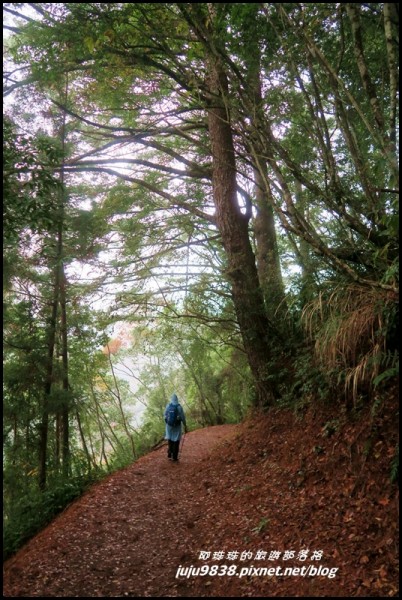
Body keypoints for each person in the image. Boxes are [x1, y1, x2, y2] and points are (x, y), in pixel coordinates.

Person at [164, 393, 187, 462]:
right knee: (176, 440)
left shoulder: (168, 406)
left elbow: (165, 415)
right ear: (177, 399)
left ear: (171, 399)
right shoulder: (179, 407)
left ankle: (169, 454)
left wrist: (167, 422)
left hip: (169, 426)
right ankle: (174, 457)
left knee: (170, 439)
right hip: (177, 426)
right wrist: (185, 425)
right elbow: (183, 417)